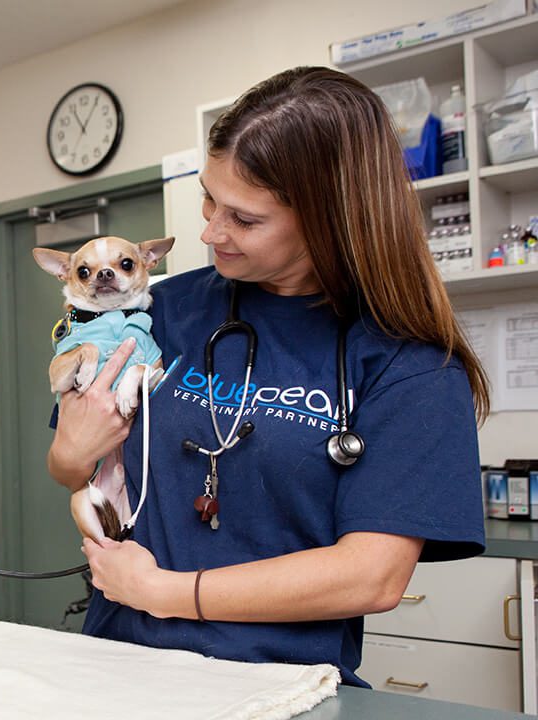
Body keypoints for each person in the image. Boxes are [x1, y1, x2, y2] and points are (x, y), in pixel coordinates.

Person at [45, 65, 489, 687]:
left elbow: (372, 575)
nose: (209, 231)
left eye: (245, 219)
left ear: (333, 218)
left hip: (277, 685)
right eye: (208, 197)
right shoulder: (157, 313)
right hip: (120, 665)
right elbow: (71, 465)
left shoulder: (408, 360)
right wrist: (69, 453)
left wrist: (166, 592)